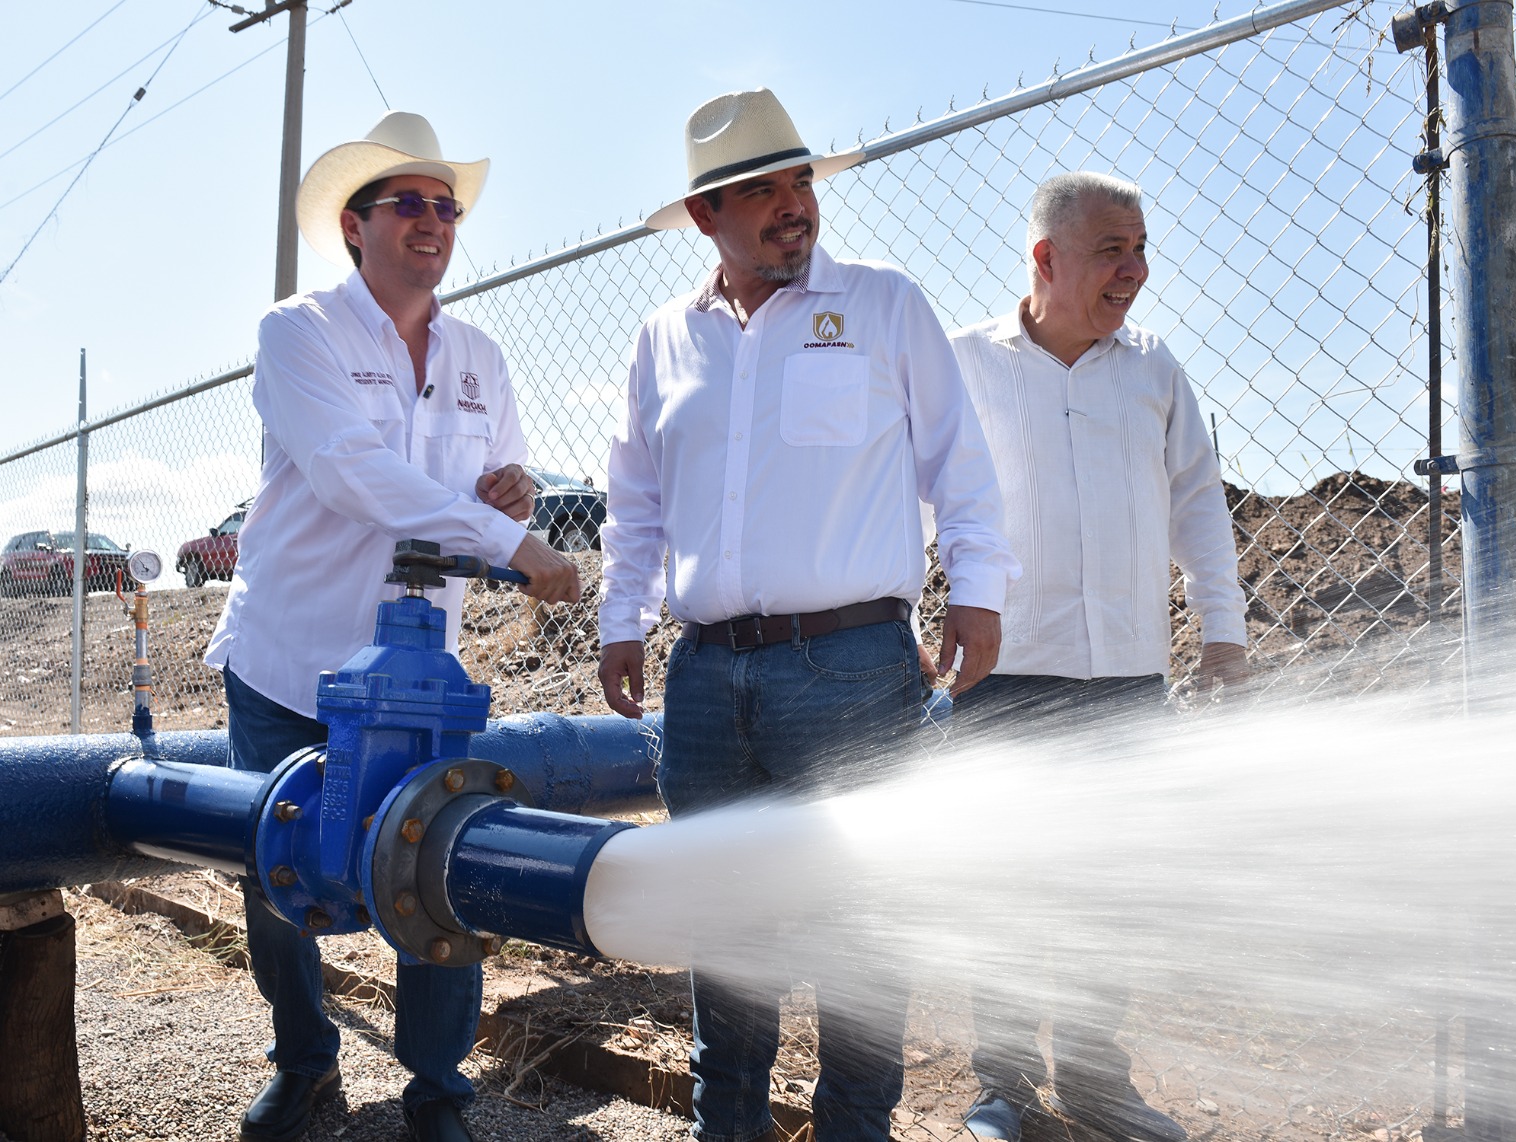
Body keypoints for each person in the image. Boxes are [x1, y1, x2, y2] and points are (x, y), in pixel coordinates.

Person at [597, 88, 1018, 1142]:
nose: (794, 205)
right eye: (762, 191)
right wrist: (620, 615)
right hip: (704, 678)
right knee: (724, 928)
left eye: (800, 183)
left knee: (861, 932)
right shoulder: (663, 339)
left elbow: (960, 463)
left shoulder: (884, 305)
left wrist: (976, 589)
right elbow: (636, 500)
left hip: (852, 667)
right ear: (705, 215)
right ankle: (726, 1127)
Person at [204, 111, 580, 1142]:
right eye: (406, 202)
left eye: (445, 207)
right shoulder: (300, 332)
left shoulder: (479, 355)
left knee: (438, 862)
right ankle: (304, 1060)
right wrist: (511, 541)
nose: (431, 221)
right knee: (278, 868)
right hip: (291, 658)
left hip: (418, 675)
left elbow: (497, 482)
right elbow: (349, 472)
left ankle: (440, 1091)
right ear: (353, 226)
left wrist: (513, 495)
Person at [948, 171, 1249, 1142]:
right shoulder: (964, 365)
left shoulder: (1153, 369)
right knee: (1003, 886)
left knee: (1110, 891)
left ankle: (1090, 1079)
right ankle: (1002, 1086)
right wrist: (910, 622)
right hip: (1002, 677)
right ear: (1046, 257)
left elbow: (1198, 504)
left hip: (1126, 678)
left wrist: (1224, 631)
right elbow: (916, 499)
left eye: (1141, 247)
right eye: (1112, 249)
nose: (1136, 269)